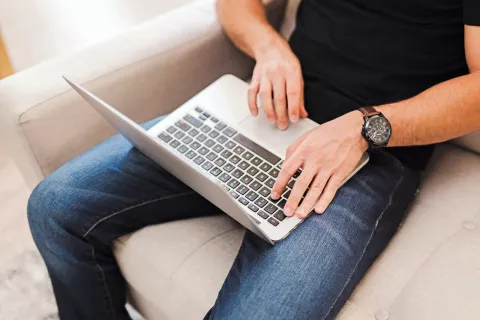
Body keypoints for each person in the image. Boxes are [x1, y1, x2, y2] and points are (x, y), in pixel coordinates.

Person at [27, 0, 480, 318]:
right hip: (269, 112)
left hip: (371, 152)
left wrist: (365, 129)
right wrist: (269, 46)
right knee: (55, 206)